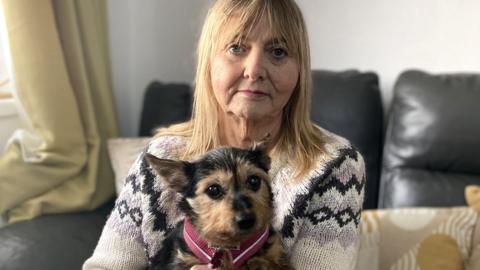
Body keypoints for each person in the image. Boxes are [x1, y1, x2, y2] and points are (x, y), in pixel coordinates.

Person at [83, 0, 365, 269]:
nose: (254, 70)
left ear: (300, 70)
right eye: (237, 47)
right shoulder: (162, 156)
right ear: (208, 62)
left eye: (278, 51)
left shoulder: (334, 166)